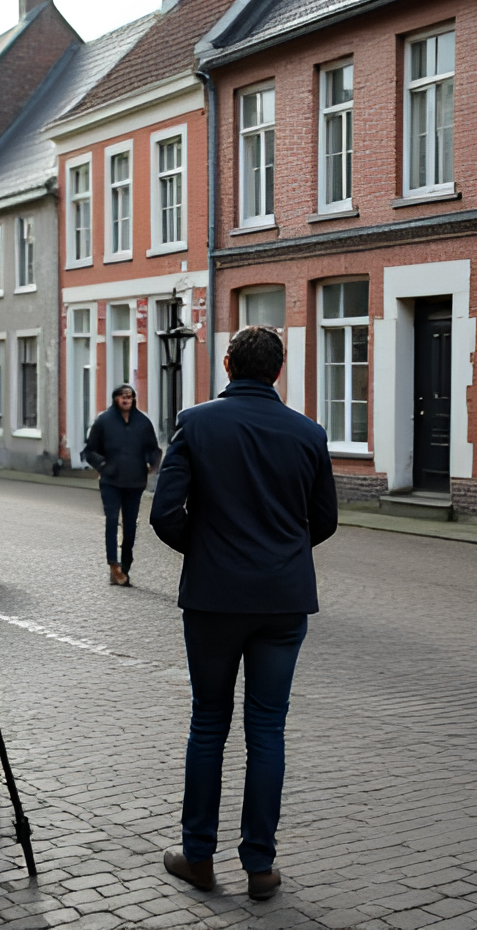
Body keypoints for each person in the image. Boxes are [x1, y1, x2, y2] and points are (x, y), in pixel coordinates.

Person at [150, 326, 337, 902]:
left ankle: (198, 856)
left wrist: (211, 553)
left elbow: (164, 512)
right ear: (278, 370)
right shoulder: (309, 433)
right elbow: (324, 520)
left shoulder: (196, 422)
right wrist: (279, 555)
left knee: (209, 721)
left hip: (214, 599)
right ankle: (260, 865)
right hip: (283, 599)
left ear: (227, 364)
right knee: (268, 727)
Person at [84, 384, 161, 586]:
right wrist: (102, 465)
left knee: (130, 525)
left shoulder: (143, 422)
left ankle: (125, 565)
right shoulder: (104, 421)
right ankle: (113, 565)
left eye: (129, 396)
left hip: (135, 481)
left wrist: (152, 463)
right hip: (110, 481)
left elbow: (153, 448)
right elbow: (90, 450)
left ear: (134, 399)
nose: (126, 399)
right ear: (115, 399)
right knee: (111, 520)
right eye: (121, 396)